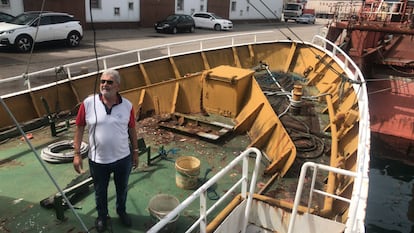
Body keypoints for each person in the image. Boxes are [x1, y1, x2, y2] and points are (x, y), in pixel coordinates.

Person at [73, 69, 139, 232]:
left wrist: (135, 151)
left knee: (122, 189)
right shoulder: (88, 103)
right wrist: (76, 154)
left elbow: (132, 129)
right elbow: (80, 127)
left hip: (123, 158)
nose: (104, 85)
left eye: (109, 82)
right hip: (98, 160)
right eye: (102, 81)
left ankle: (121, 211)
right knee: (100, 192)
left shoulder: (127, 106)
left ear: (117, 85)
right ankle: (102, 216)